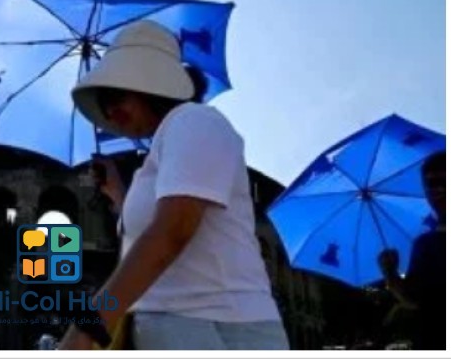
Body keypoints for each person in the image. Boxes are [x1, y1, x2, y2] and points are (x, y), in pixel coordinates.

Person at [59, 20, 288, 350]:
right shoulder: (159, 150)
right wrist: (118, 195)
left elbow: (173, 229)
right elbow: (155, 229)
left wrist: (89, 325)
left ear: (149, 82)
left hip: (215, 325)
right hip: (176, 326)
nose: (109, 111)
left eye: (114, 95)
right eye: (103, 101)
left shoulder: (194, 120)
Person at [378, 150, 445, 350]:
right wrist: (390, 273)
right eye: (432, 184)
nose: (440, 189)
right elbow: (414, 298)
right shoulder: (425, 244)